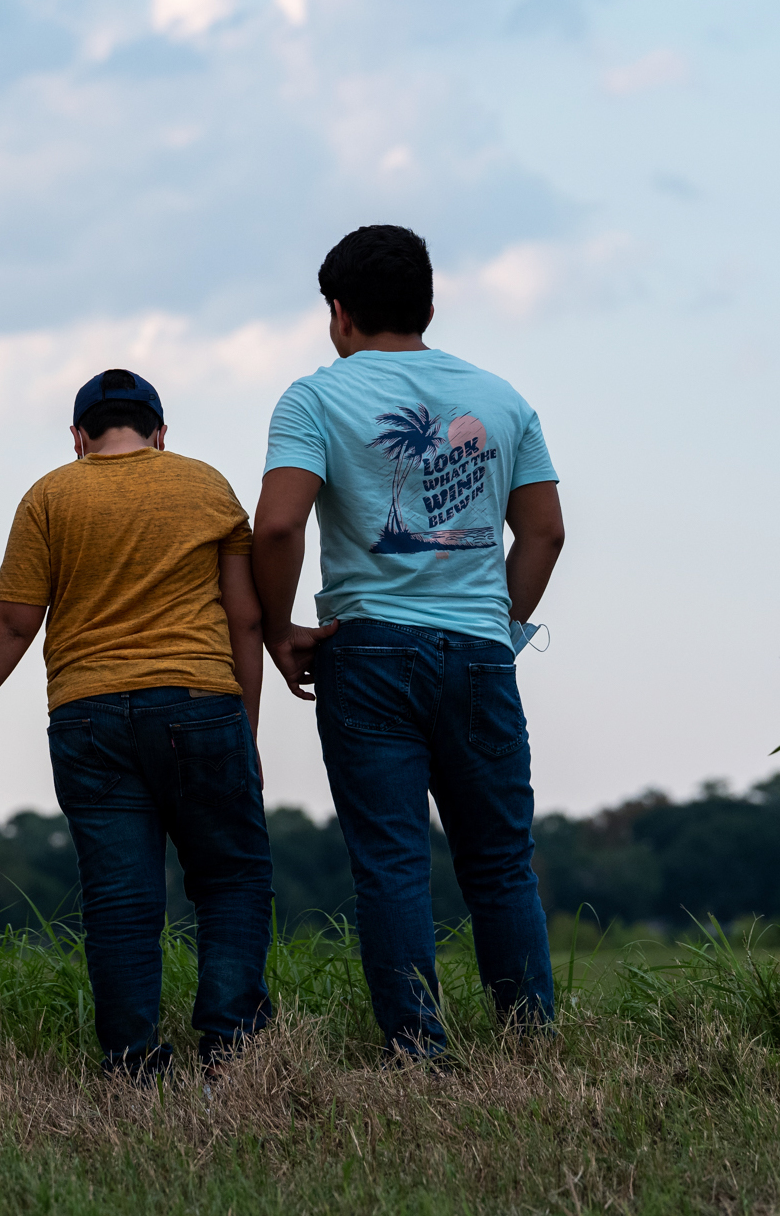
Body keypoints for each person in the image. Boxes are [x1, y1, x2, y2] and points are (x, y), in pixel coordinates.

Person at [250, 224, 566, 1058]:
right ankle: (530, 1042)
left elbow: (279, 523)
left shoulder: (314, 398)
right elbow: (544, 535)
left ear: (338, 312)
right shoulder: (501, 399)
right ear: (428, 304)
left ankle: (418, 1050)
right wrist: (498, 631)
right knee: (500, 860)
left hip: (367, 652)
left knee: (391, 862)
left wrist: (279, 627)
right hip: (477, 656)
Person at [0, 370, 273, 1079]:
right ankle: (231, 1054)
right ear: (160, 433)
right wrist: (243, 731)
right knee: (230, 879)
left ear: (78, 438)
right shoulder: (206, 486)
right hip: (200, 705)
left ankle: (132, 1064)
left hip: (87, 716)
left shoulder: (51, 494)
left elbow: (15, 619)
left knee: (120, 898)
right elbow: (246, 617)